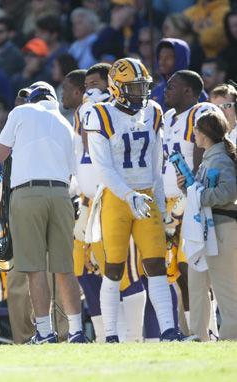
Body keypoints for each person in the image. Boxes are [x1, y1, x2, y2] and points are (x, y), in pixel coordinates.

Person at [84, 57, 187, 342]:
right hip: (118, 197)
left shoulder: (153, 111)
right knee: (114, 269)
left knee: (156, 265)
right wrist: (130, 196)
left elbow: (156, 165)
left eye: (143, 87)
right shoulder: (100, 114)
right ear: (116, 87)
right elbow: (103, 168)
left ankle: (168, 329)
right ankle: (112, 335)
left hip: (145, 196)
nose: (141, 94)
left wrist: (157, 201)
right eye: (133, 87)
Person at [0, 82, 85, 344]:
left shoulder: (21, 113)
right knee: (65, 268)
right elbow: (73, 171)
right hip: (61, 194)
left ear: (31, 98)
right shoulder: (67, 125)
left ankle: (44, 332)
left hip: (28, 193)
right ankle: (77, 330)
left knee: (34, 269)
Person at [162, 70, 221, 338]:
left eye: (172, 86)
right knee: (177, 270)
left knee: (194, 264)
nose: (166, 89)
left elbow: (201, 156)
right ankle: (190, 330)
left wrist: (190, 195)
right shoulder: (168, 118)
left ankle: (207, 329)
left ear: (188, 91)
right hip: (170, 200)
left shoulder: (200, 111)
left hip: (192, 197)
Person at [176, 111, 237, 340]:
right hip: (207, 231)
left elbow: (228, 192)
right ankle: (198, 336)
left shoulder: (220, 159)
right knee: (197, 285)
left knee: (225, 290)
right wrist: (187, 189)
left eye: (196, 130)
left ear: (205, 133)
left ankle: (232, 339)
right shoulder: (211, 157)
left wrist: (197, 196)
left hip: (221, 229)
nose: (194, 135)